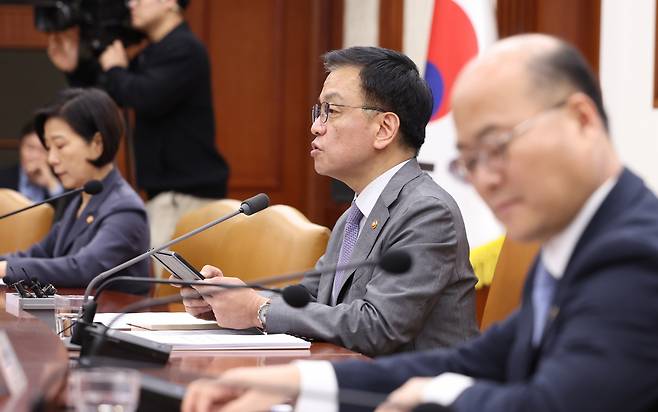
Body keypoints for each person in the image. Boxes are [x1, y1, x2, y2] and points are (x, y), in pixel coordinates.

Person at [180, 34, 658, 412]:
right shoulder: (579, 240)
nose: (485, 179)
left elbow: (557, 404)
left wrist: (435, 396)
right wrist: (302, 379)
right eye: (469, 159)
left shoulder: (632, 252)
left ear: (580, 120)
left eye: (497, 145)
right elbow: (478, 361)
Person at [179, 46, 479, 357]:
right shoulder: (356, 215)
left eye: (331, 111)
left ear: (384, 128)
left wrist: (258, 310)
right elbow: (308, 300)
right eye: (318, 112)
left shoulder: (427, 212)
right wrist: (231, 299)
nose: (315, 126)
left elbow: (377, 326)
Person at [47, 0, 230, 248]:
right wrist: (75, 69)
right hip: (165, 194)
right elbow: (108, 96)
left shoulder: (185, 48)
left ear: (169, 3)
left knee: (160, 279)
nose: (131, 4)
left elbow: (145, 97)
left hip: (185, 196)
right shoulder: (153, 52)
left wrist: (115, 69)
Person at [0, 88, 150, 294]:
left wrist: (6, 268)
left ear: (97, 144)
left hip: (115, 322)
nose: (51, 159)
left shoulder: (125, 208)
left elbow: (85, 268)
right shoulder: (79, 201)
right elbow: (39, 253)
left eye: (60, 146)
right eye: (48, 148)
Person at [0, 121, 64, 208]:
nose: (35, 156)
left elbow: (68, 211)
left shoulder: (61, 177)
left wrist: (50, 183)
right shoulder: (3, 177)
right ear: (20, 147)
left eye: (42, 150)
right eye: (30, 148)